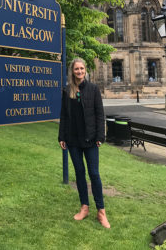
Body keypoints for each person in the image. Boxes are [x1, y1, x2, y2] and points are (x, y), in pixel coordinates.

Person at [58, 58, 110, 229]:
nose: (79, 71)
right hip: (73, 139)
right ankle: (84, 207)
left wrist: (100, 136)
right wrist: (61, 137)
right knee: (79, 173)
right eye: (76, 69)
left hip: (90, 139)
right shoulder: (67, 90)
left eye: (81, 68)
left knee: (94, 174)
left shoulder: (93, 89)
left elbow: (100, 114)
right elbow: (64, 115)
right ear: (72, 71)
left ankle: (101, 211)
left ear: (85, 70)